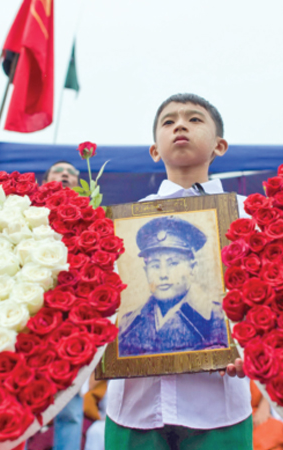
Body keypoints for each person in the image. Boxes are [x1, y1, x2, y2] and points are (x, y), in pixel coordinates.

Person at [105, 93, 251, 450]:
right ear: (155, 150)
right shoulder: (122, 222)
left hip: (219, 405)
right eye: (168, 122)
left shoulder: (247, 214)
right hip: (135, 406)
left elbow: (269, 297)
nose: (180, 125)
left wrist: (253, 347)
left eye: (194, 119)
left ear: (220, 145)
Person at [118, 215, 229, 356]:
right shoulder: (128, 325)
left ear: (193, 268)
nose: (163, 274)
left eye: (173, 263)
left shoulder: (216, 319)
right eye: (155, 265)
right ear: (146, 271)